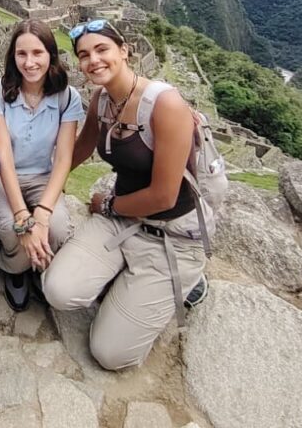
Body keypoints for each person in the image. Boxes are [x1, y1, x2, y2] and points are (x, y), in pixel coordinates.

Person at [43, 20, 206, 370]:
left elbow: (164, 196)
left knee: (110, 354)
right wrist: (42, 193)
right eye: (84, 55)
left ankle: (187, 280)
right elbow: (79, 150)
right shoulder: (101, 101)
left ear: (124, 50)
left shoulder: (166, 105)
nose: (94, 61)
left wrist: (110, 204)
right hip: (121, 222)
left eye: (102, 50)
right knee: (57, 290)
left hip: (171, 234)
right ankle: (124, 283)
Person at [0, 19, 83, 311]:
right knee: (14, 229)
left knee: (58, 227)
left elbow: (63, 158)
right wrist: (25, 217)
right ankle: (14, 270)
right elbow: (4, 156)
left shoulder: (67, 97)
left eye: (37, 53)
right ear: (13, 57)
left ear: (50, 54)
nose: (29, 62)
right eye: (21, 54)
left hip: (41, 174)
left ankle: (34, 262)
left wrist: (45, 211)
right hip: (0, 175)